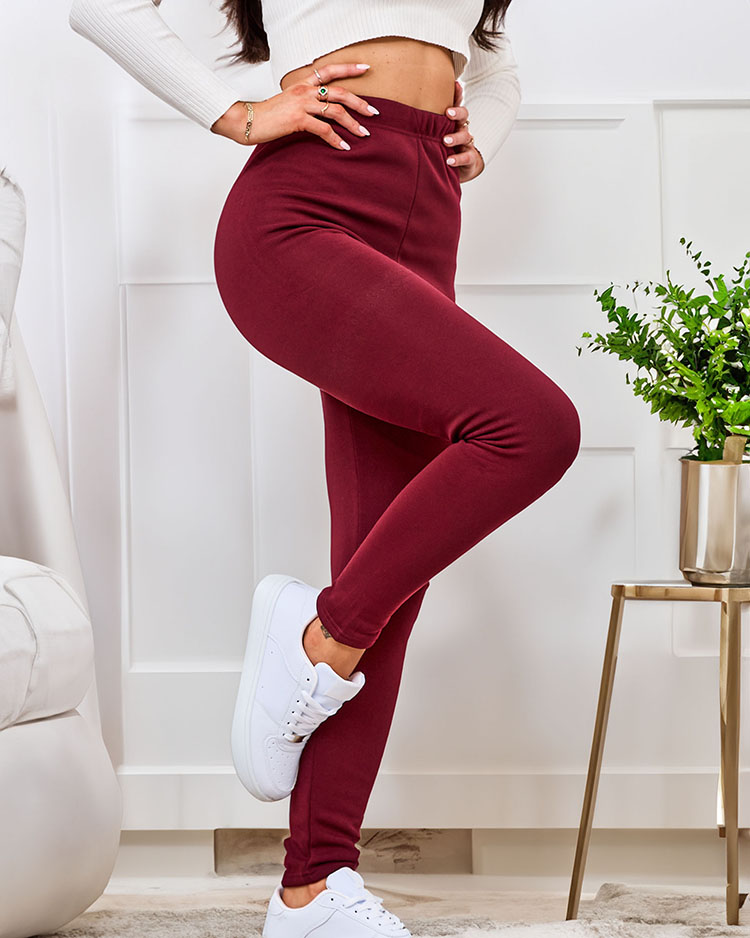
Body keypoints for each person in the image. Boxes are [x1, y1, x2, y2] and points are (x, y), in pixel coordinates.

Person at [68, 1, 582, 934]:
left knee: (391, 569)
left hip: (426, 212)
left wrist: (484, 137)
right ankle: (321, 640)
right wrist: (238, 114)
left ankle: (313, 887)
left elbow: (492, 59)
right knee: (532, 428)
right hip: (305, 208)